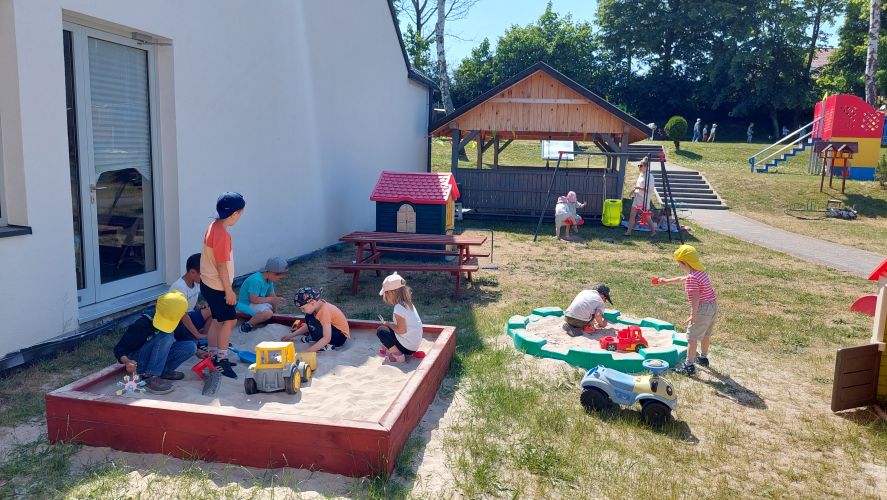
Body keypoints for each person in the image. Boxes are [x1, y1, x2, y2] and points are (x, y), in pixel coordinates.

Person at [113, 291, 196, 394]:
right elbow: (119, 348)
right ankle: (149, 377)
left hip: (154, 359)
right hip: (139, 362)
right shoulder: (143, 323)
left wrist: (199, 352)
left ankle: (163, 371)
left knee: (190, 346)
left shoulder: (174, 319)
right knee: (166, 335)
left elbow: (183, 337)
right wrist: (127, 361)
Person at [652, 244, 717, 375]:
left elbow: (695, 297)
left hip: (702, 309)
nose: (679, 266)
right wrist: (666, 281)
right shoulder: (700, 273)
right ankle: (703, 358)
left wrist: (693, 314)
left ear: (684, 263)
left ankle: (688, 366)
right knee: (705, 334)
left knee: (692, 338)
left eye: (679, 263)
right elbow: (682, 278)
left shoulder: (692, 278)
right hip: (712, 307)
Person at [200, 192, 245, 378]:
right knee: (230, 321)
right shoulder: (223, 235)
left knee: (218, 320)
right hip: (218, 286)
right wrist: (229, 291)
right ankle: (222, 360)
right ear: (234, 214)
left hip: (207, 283)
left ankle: (212, 355)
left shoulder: (213, 226)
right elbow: (221, 266)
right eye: (241, 213)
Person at [283, 287, 350, 352]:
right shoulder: (315, 307)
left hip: (339, 337)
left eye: (303, 308)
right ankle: (315, 338)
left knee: (312, 320)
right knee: (309, 317)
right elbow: (308, 325)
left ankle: (327, 345)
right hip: (332, 331)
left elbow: (327, 338)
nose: (302, 311)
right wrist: (292, 335)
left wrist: (308, 351)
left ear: (312, 303)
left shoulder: (324, 311)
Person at [376, 273, 423, 363]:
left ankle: (398, 356)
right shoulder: (408, 304)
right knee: (388, 329)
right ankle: (389, 347)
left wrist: (389, 324)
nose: (386, 298)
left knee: (381, 331)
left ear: (391, 293)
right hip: (414, 345)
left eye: (386, 294)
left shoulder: (398, 308)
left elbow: (401, 330)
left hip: (407, 348)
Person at [237, 256, 288, 333]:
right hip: (245, 304)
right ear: (272, 273)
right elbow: (254, 300)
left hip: (255, 303)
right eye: (279, 278)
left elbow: (273, 297)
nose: (279, 280)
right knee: (268, 313)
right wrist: (271, 300)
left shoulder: (269, 279)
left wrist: (275, 312)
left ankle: (263, 317)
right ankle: (247, 325)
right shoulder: (256, 280)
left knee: (270, 309)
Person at [171, 253, 212, 346]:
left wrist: (199, 306)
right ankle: (199, 336)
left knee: (215, 309)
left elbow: (189, 302)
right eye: (203, 275)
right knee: (214, 309)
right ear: (193, 272)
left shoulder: (196, 282)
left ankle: (203, 335)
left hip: (189, 316)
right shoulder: (179, 287)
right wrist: (197, 334)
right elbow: (182, 315)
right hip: (179, 324)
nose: (205, 277)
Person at [623, 158, 657, 237]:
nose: (639, 167)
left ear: (646, 167)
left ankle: (653, 231)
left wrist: (638, 188)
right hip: (637, 197)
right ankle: (628, 231)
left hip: (644, 199)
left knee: (646, 216)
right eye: (638, 165)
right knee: (632, 215)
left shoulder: (650, 176)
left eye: (641, 166)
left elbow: (650, 189)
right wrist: (634, 190)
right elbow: (638, 186)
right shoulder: (641, 175)